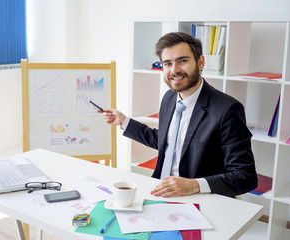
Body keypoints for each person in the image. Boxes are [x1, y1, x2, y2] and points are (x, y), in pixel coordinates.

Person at [101, 32, 257, 198]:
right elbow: (166, 141)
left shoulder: (228, 109)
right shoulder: (169, 98)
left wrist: (194, 185)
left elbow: (245, 176)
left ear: (200, 62)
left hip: (200, 197)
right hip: (160, 190)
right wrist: (124, 121)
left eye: (182, 61)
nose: (174, 70)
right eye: (167, 64)